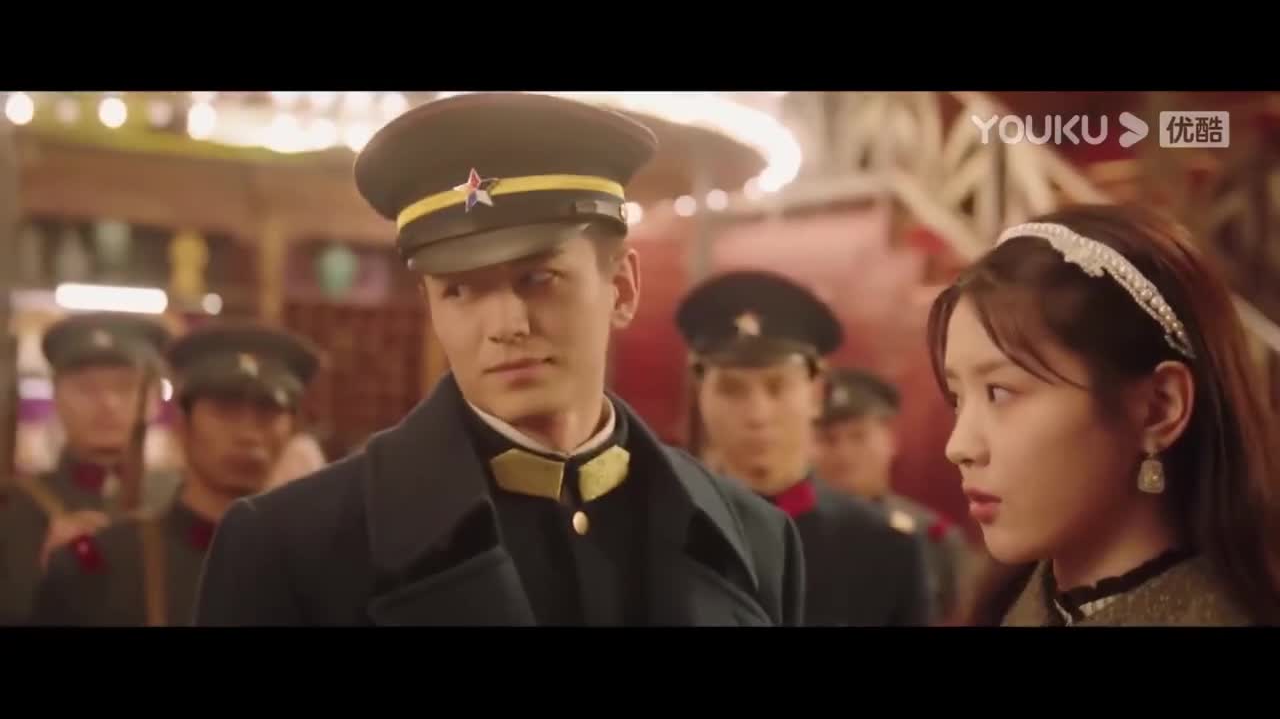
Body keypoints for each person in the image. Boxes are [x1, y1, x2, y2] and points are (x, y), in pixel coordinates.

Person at [193, 92, 805, 627]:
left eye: (538, 278)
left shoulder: (754, 539)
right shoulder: (292, 548)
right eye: (459, 291)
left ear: (621, 288)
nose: (506, 326)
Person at [929, 203, 1280, 626]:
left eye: (1000, 392)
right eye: (957, 398)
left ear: (1160, 408)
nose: (959, 447)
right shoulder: (1002, 607)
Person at [676, 269, 933, 626]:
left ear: (816, 394)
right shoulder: (664, 536)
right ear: (701, 396)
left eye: (777, 387)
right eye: (732, 389)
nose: (757, 414)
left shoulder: (883, 550)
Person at [30, 322, 318, 626]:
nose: (248, 434)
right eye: (225, 411)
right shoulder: (101, 567)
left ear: (292, 430)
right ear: (182, 425)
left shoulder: (316, 573)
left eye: (267, 413)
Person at [0, 312, 176, 625]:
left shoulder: (176, 501)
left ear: (152, 400)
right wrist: (45, 576)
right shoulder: (14, 506)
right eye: (86, 388)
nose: (107, 403)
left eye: (125, 387)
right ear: (56, 396)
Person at [814, 367, 977, 624]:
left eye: (858, 436)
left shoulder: (934, 537)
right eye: (828, 439)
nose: (844, 453)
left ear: (891, 440)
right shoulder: (788, 529)